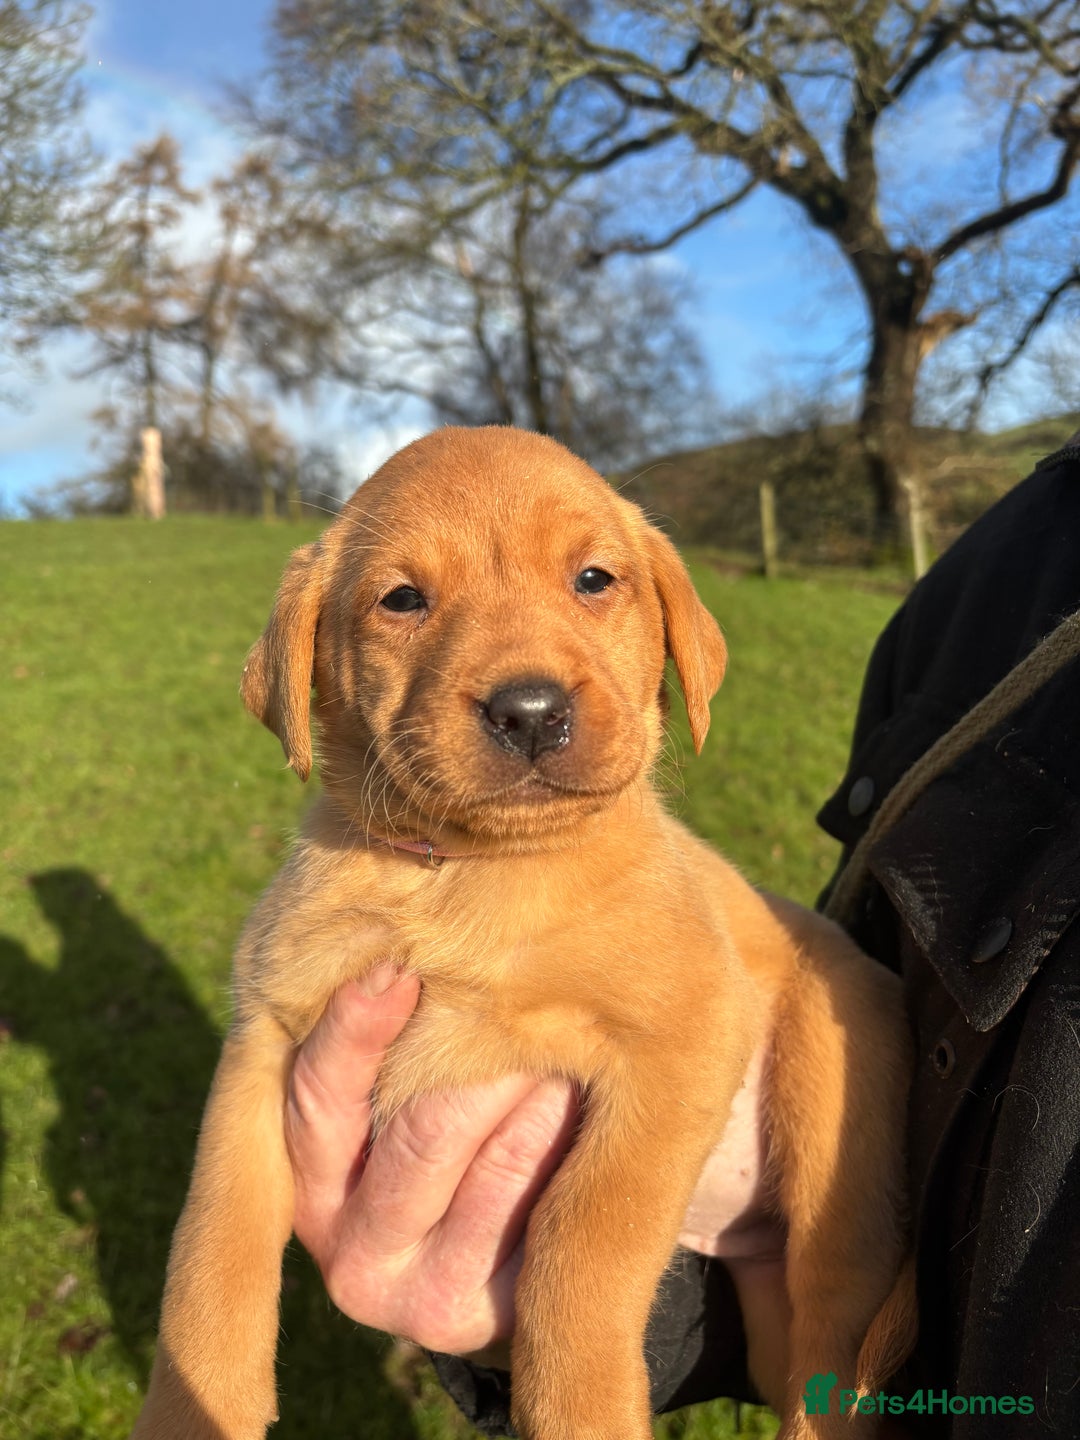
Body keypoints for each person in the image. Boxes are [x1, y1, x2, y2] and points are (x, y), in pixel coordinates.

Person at [286, 433, 1080, 1437]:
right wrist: (556, 1288)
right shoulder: (1007, 563)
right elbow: (867, 964)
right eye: (405, 601)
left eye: (590, 581)